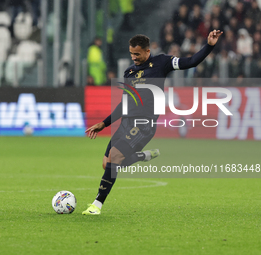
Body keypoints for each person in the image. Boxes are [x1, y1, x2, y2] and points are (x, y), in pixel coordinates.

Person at [82, 30, 223, 215]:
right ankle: (142, 156)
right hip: (125, 123)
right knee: (107, 163)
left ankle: (96, 205)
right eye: (131, 53)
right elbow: (124, 102)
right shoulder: (129, 72)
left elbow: (191, 62)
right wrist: (105, 123)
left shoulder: (162, 62)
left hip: (144, 124)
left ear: (147, 52)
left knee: (115, 156)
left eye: (137, 54)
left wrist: (209, 45)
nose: (134, 57)